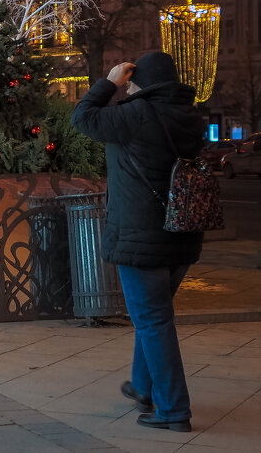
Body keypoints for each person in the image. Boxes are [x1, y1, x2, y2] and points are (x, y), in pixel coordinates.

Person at [71, 51, 204, 433]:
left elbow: (82, 117)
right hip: (182, 231)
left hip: (140, 237)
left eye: (131, 84)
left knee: (154, 322)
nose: (126, 89)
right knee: (154, 317)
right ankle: (143, 387)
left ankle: (174, 411)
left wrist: (109, 83)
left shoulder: (136, 114)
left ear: (143, 84)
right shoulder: (191, 117)